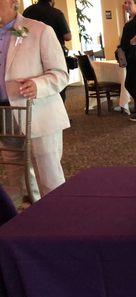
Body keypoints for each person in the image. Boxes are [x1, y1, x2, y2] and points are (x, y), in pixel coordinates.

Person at [0, 0, 70, 200]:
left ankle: (58, 218)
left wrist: (38, 85)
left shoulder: (40, 30)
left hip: (38, 112)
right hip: (3, 113)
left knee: (48, 174)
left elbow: (60, 74)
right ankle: (26, 218)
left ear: (13, 1)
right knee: (15, 172)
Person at [23, 0, 71, 102]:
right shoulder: (56, 13)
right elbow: (67, 36)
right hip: (54, 54)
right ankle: (57, 112)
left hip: (30, 54)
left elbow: (22, 32)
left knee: (33, 84)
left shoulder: (28, 11)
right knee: (57, 83)